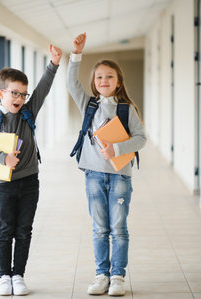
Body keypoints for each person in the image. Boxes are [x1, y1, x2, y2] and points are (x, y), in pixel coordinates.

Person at [0, 44, 62, 296]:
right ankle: (4, 276)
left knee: (24, 230)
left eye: (23, 94)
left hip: (29, 182)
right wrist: (3, 158)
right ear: (0, 93)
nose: (19, 99)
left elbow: (43, 90)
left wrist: (54, 64)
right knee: (5, 230)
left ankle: (18, 275)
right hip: (4, 184)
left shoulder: (28, 112)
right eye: (14, 93)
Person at [67, 33, 146, 296]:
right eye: (99, 77)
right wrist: (76, 54)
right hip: (93, 175)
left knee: (118, 228)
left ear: (119, 81)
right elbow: (70, 82)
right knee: (99, 228)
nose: (104, 80)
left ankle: (117, 277)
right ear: (94, 82)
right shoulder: (88, 105)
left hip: (120, 176)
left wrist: (117, 148)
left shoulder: (126, 109)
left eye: (109, 76)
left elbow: (141, 139)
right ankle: (101, 275)